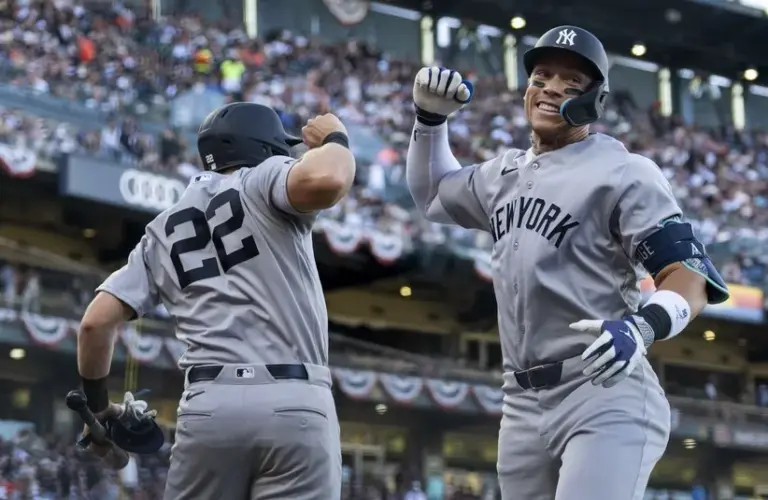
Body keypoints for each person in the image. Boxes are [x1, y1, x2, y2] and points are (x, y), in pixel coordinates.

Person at [405, 26, 730, 500]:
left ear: (596, 100)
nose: (552, 87)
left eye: (572, 83)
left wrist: (643, 327)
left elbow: (689, 277)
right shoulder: (503, 173)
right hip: (521, 402)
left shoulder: (625, 171)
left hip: (602, 390)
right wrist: (430, 122)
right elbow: (432, 193)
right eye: (542, 75)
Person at [76, 102, 355, 499]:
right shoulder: (263, 177)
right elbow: (330, 177)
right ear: (264, 149)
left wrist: (99, 408)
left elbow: (95, 322)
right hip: (294, 400)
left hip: (208, 409)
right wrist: (336, 138)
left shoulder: (161, 230)